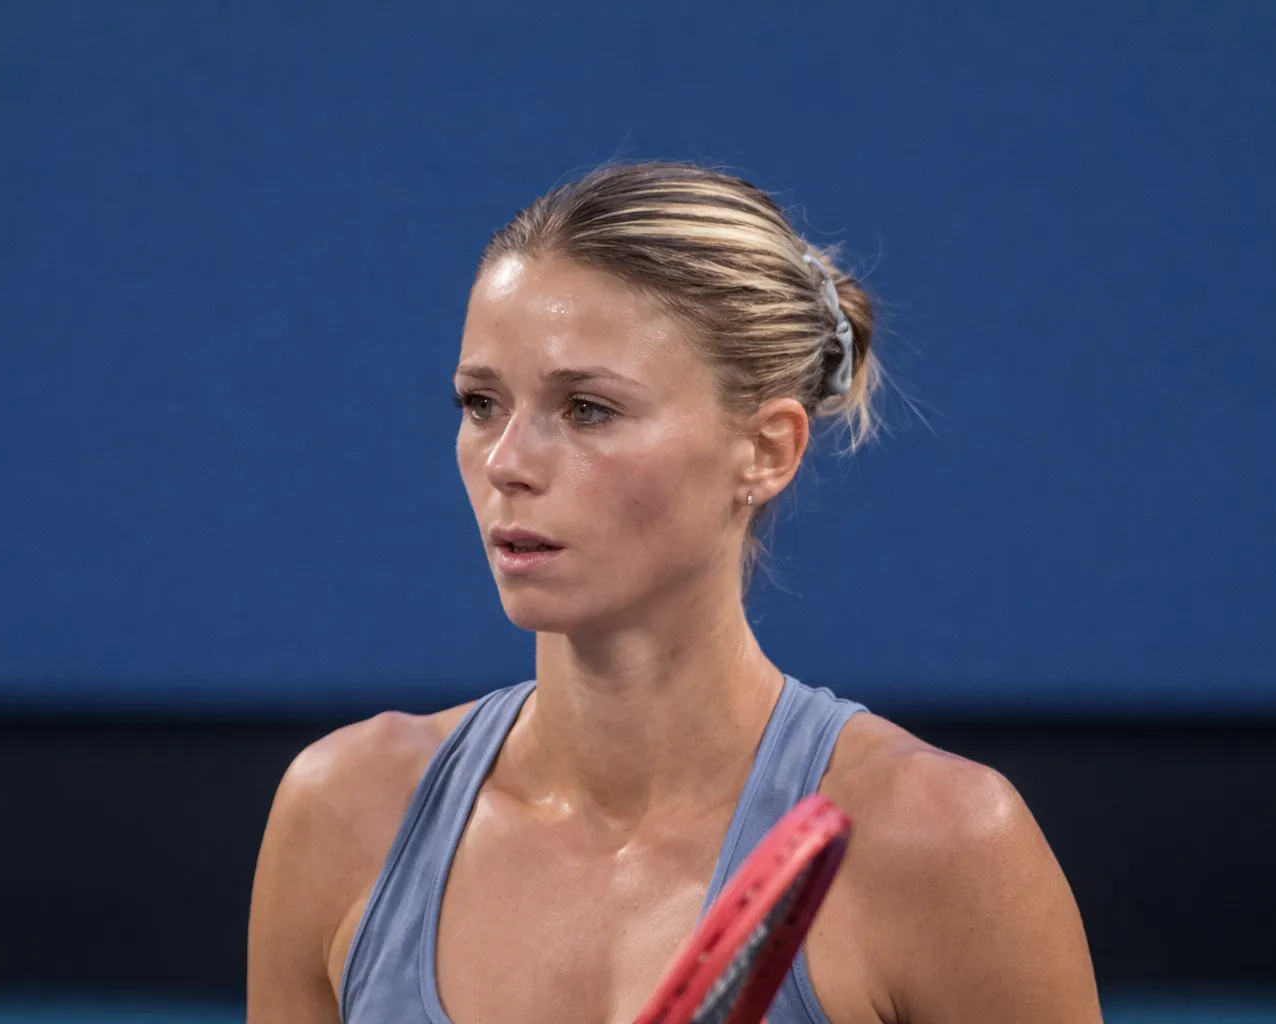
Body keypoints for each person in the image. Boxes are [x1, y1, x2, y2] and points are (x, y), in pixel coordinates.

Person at [247, 161, 1102, 1023]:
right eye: (480, 403)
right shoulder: (343, 812)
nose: (506, 462)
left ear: (766, 451)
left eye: (587, 409)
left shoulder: (943, 843)